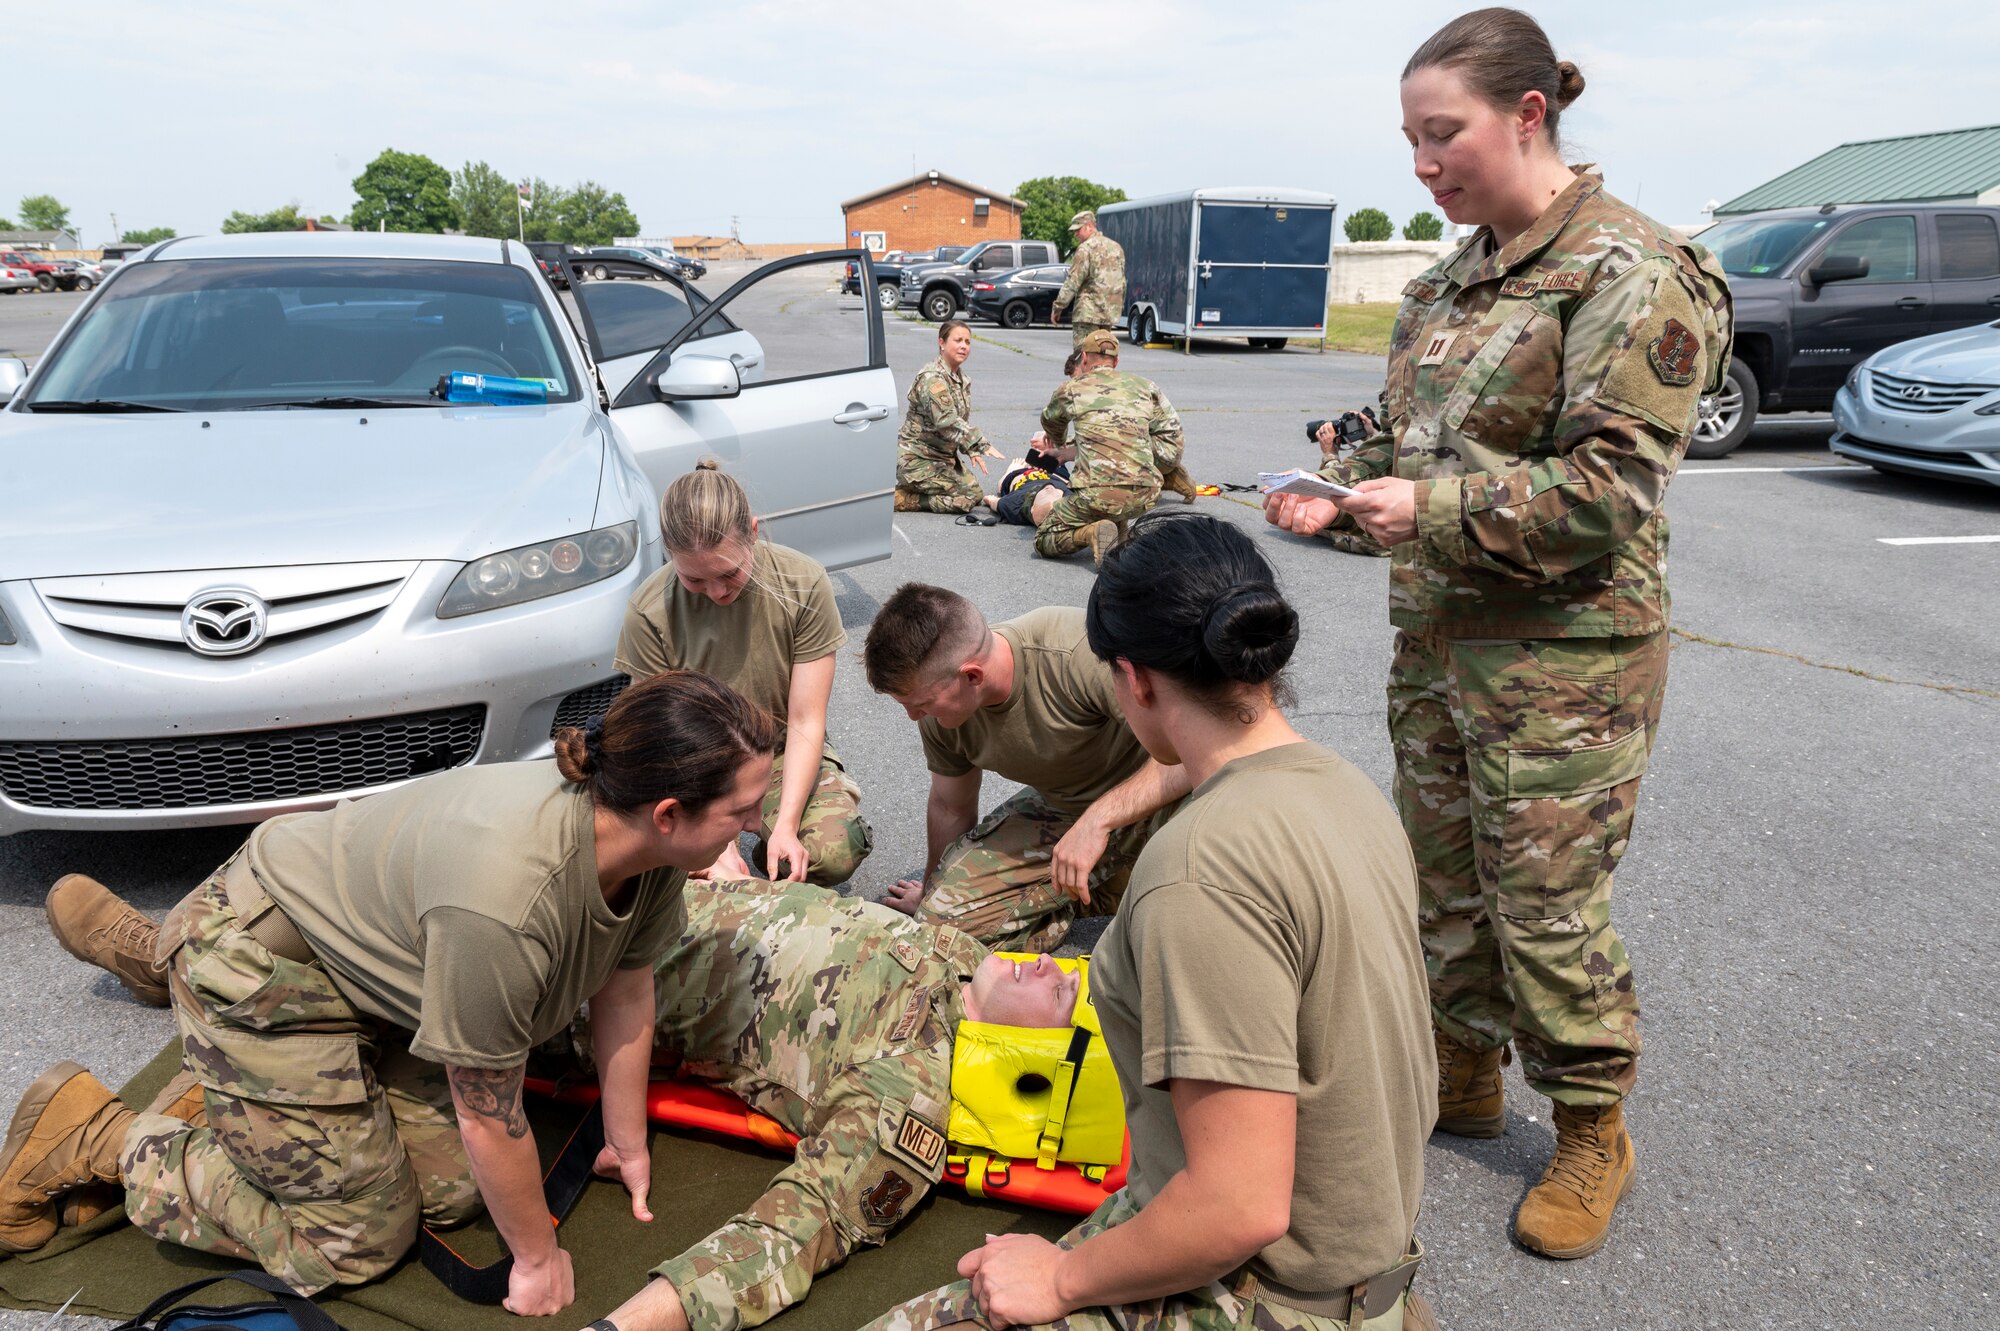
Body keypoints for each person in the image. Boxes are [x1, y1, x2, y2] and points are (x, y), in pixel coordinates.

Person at [1265, 7, 1732, 1260]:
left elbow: (1609, 492)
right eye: (1410, 141)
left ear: (1527, 115)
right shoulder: (1446, 277)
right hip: (1436, 639)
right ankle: (1463, 1071)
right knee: (1444, 880)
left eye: (1442, 135)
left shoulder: (1632, 270)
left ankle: (1589, 1124)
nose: (1422, 166)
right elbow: (1407, 438)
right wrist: (1341, 480)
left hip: (1563, 661)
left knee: (1545, 901)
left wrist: (1426, 505)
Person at [13, 672, 780, 1318]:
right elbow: (489, 1112)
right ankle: (106, 1135)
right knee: (357, 1237)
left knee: (452, 1196)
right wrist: (537, 1258)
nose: (756, 823)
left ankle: (239, 1080)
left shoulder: (648, 845)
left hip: (375, 968)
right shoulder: (507, 901)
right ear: (668, 814)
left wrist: (627, 1140)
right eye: (742, 809)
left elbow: (626, 984)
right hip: (258, 960)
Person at [860, 512, 1437, 1331]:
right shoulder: (1346, 790)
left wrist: (1061, 1279)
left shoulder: (1198, 870)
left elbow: (1236, 1206)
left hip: (1267, 1293)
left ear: (1133, 679)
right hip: (1367, 1267)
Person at [550, 877, 1083, 1331]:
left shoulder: (908, 1091)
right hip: (633, 893)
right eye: (1062, 967)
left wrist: (618, 1326)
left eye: (1060, 993)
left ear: (1032, 1054)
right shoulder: (970, 959)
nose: (1045, 964)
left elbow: (791, 1236)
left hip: (571, 989)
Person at [861, 583, 1190, 952]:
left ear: (972, 676)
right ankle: (1105, 889)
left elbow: (1195, 752)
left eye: (921, 703)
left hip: (1162, 797)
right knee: (940, 930)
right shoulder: (939, 715)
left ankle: (1143, 882)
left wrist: (1099, 820)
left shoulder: (1077, 654)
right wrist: (932, 892)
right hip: (1064, 808)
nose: (912, 716)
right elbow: (950, 806)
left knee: (1197, 922)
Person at [617, 459, 873, 886]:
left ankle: (771, 835)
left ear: (753, 532)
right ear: (669, 555)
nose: (716, 592)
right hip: (692, 768)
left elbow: (806, 719)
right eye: (694, 580)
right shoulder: (649, 612)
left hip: (780, 751)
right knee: (685, 876)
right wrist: (712, 839)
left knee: (828, 853)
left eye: (729, 573)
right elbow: (657, 740)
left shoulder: (803, 582)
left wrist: (788, 826)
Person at [1034, 330, 1194, 564]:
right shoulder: (1145, 386)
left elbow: (1050, 420)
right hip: (1145, 494)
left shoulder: (1072, 388)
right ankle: (1119, 536)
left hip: (1096, 495)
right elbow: (1168, 428)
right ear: (1116, 361)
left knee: (1044, 538)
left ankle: (1092, 532)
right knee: (1114, 493)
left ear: (1084, 359)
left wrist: (1058, 441)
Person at [896, 320, 1005, 514]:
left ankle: (913, 488)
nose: (964, 346)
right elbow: (947, 421)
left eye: (967, 342)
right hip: (917, 459)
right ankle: (905, 498)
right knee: (970, 497)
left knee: (973, 493)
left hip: (941, 457)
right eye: (958, 340)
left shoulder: (960, 379)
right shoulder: (932, 378)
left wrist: (970, 450)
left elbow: (959, 421)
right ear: (942, 343)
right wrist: (978, 444)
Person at [1051, 211, 1126, 352]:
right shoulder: (1116, 248)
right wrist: (1117, 309)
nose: (1075, 234)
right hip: (1109, 315)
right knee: (1104, 356)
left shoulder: (1085, 249)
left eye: (1078, 230)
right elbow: (1122, 282)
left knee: (1083, 356)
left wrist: (1058, 307)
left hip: (1088, 315)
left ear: (1089, 226)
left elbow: (1072, 282)